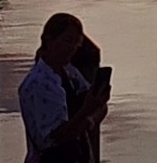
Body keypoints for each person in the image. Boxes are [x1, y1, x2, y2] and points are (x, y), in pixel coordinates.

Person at [18, 12, 109, 163]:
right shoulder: (38, 84)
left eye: (76, 43)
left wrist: (93, 111)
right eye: (68, 41)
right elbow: (56, 139)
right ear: (49, 40)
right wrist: (87, 112)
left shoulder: (69, 72)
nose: (73, 48)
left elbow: (94, 105)